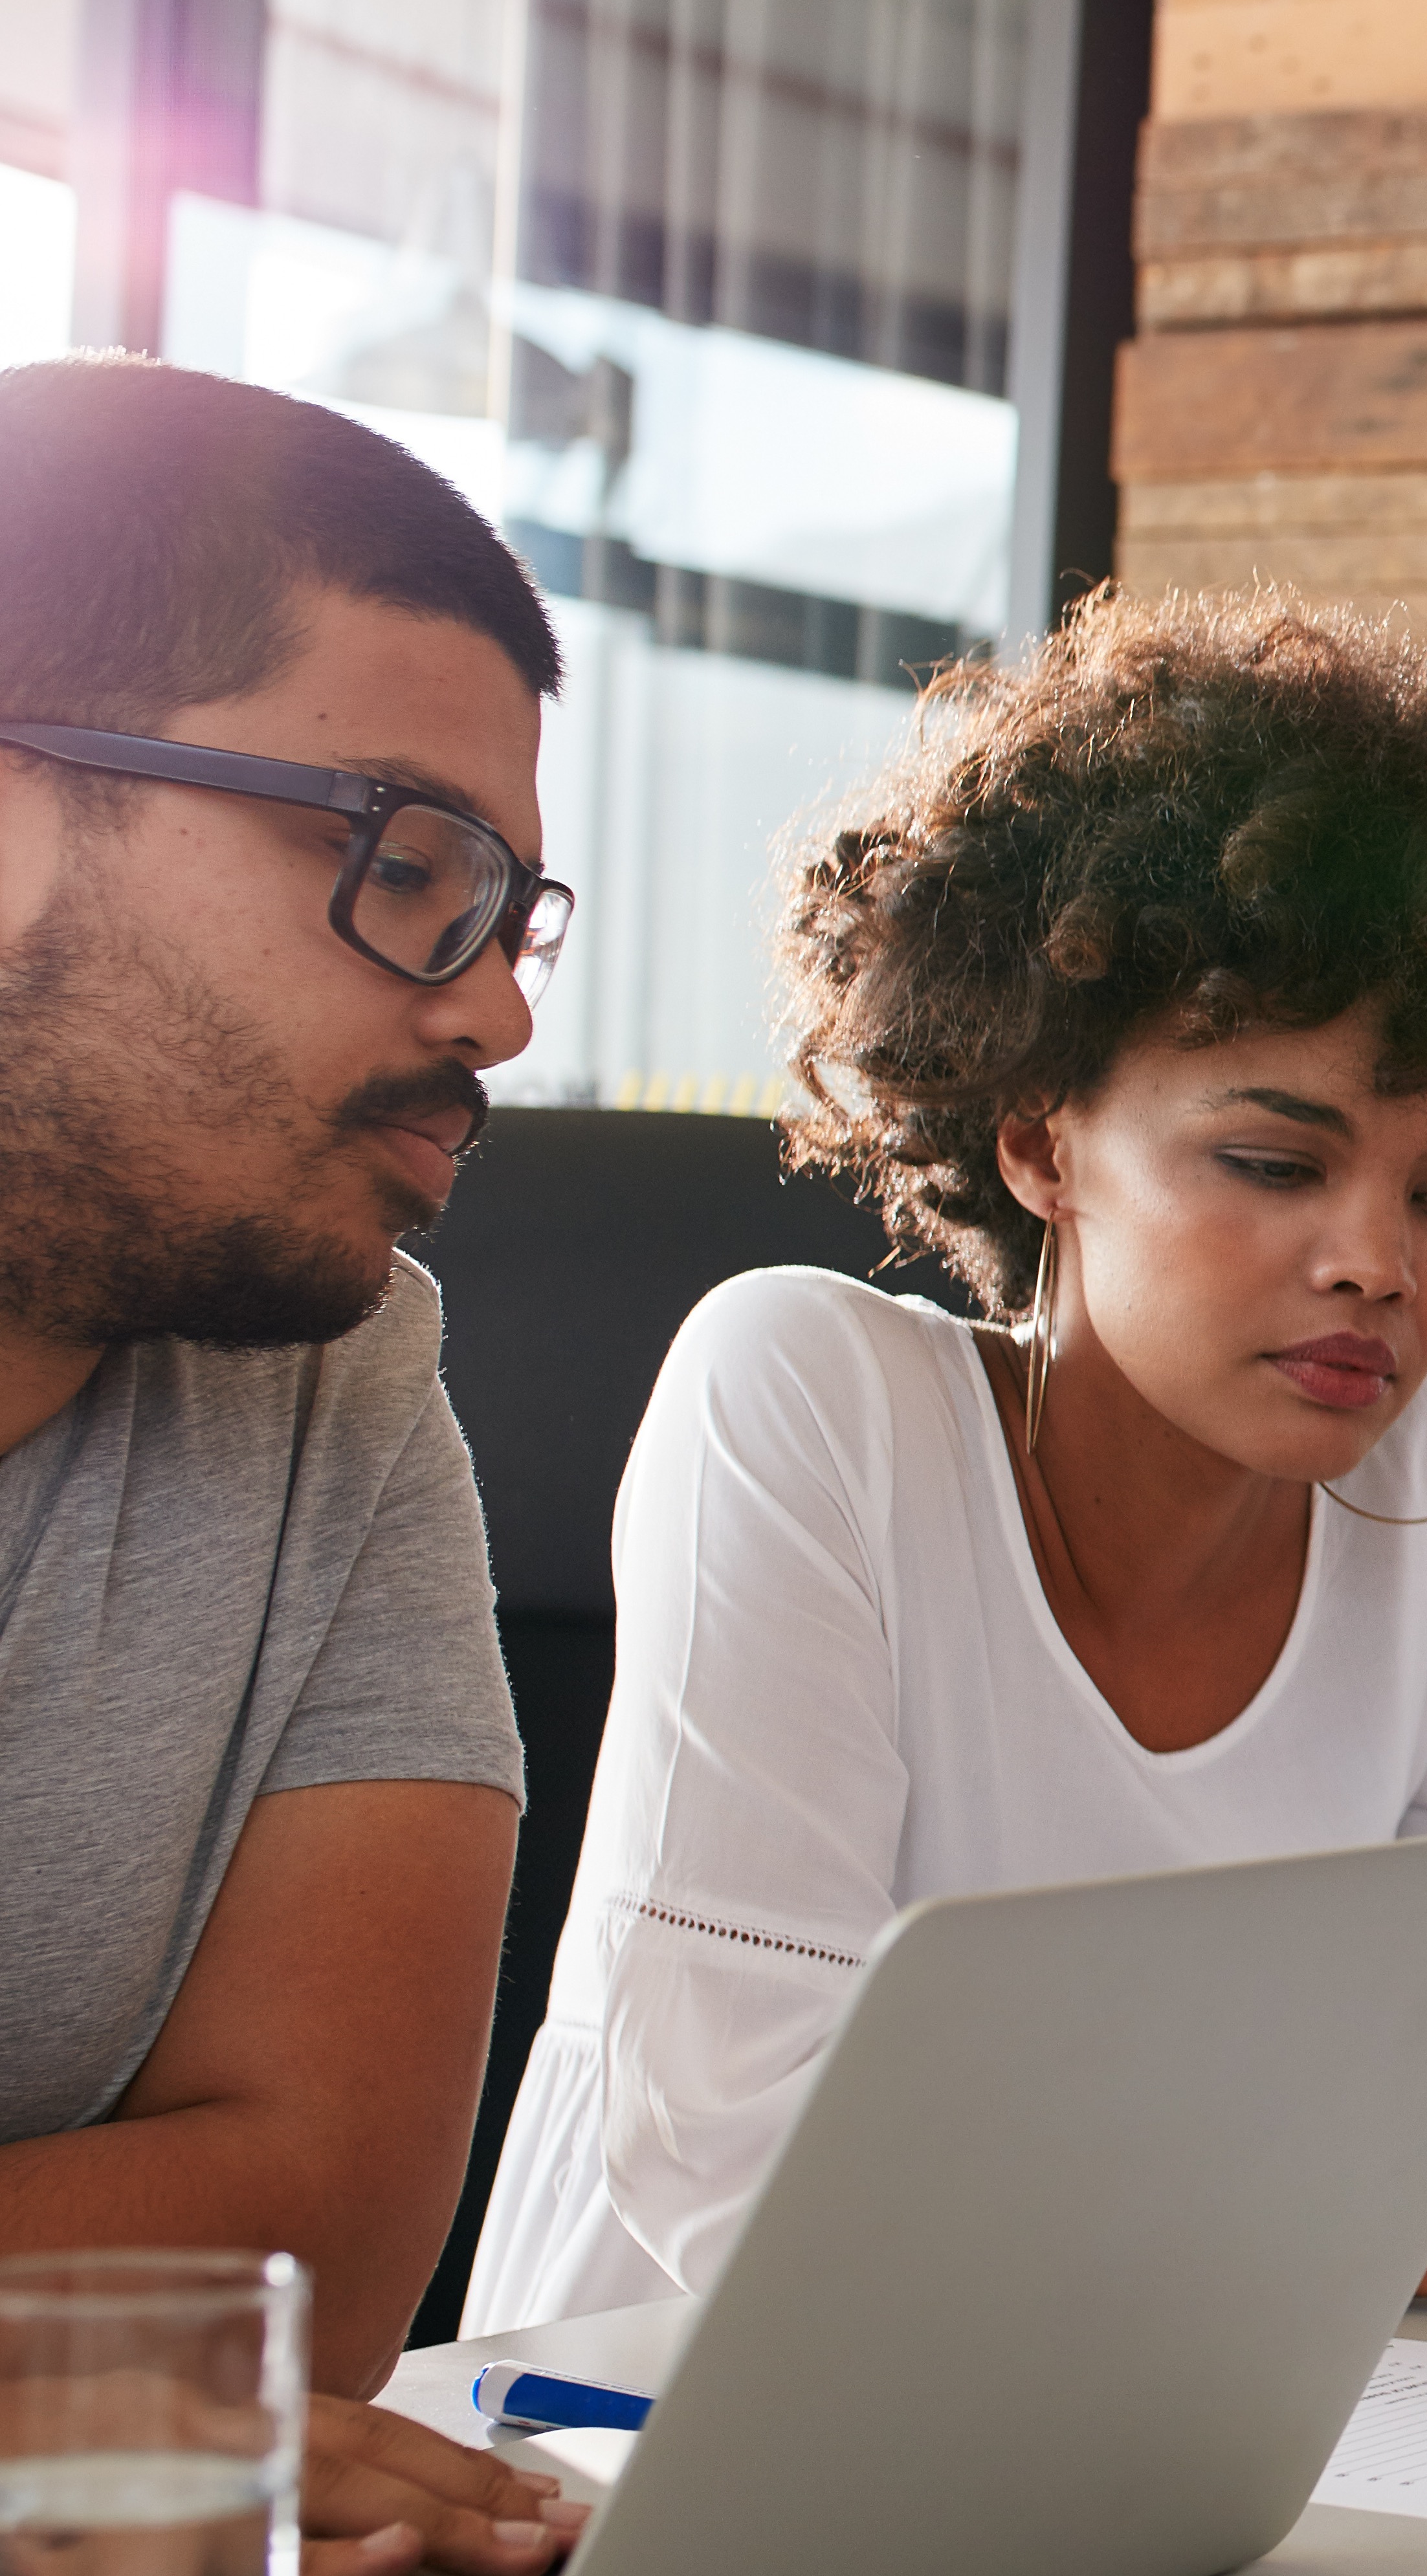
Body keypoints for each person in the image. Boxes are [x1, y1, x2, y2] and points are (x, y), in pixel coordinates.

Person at [460, 591, 1427, 2335]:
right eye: (1275, 1162)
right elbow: (758, 2162)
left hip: (1212, 2403)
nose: (1384, 1261)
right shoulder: (809, 1398)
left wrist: (1191, 2172)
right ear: (1040, 1137)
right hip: (657, 2437)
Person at [0, 357, 595, 2571]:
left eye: (507, 903)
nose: (494, 1011)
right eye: (401, 857)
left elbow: (312, 2262)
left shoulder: (333, 1367)